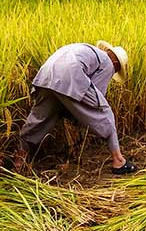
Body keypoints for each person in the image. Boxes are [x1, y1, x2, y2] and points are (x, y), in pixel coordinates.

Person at [15, 42, 137, 175]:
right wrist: (84, 119)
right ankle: (119, 161)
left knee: (39, 119)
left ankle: (19, 160)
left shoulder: (85, 50)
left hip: (45, 76)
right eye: (116, 69)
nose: (113, 72)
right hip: (69, 75)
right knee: (105, 112)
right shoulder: (108, 63)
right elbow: (97, 100)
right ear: (116, 62)